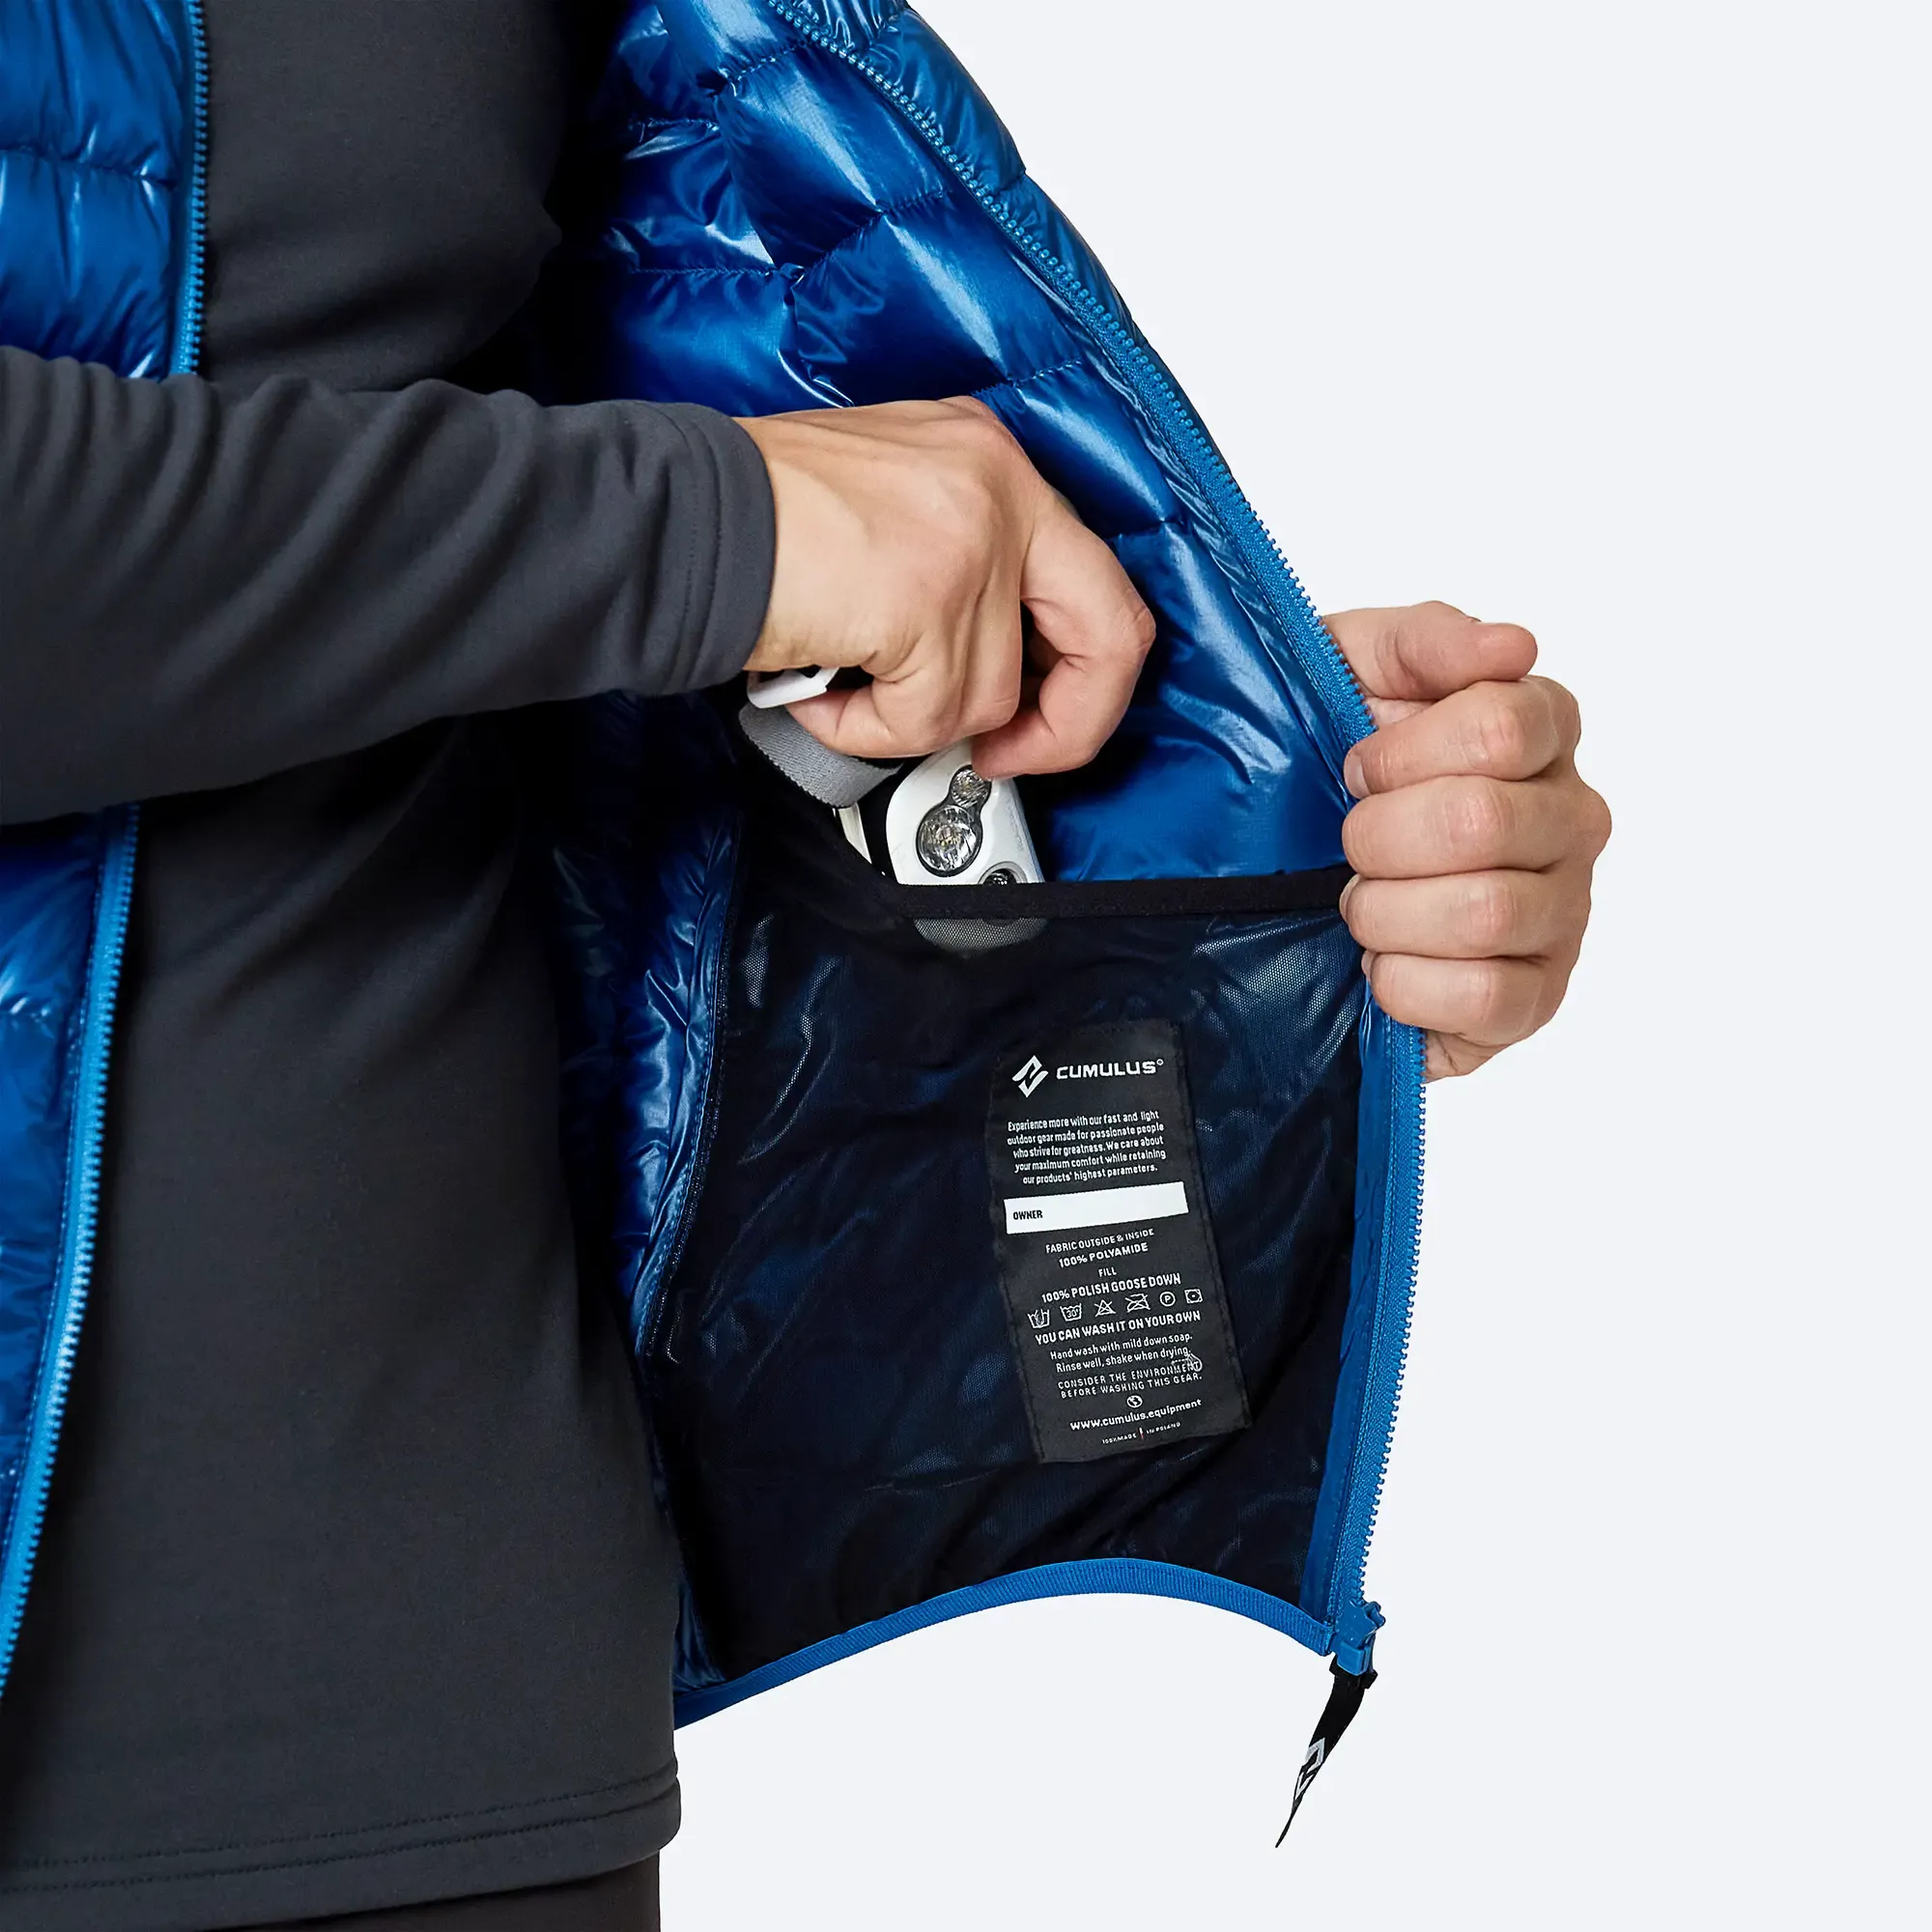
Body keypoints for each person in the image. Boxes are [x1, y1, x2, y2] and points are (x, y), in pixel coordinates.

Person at [0, 4, 1608, 1929]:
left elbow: (519, 633)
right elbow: (678, 533)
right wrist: (728, 529)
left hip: (448, 1709)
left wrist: (1217, 836)